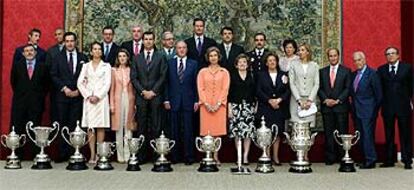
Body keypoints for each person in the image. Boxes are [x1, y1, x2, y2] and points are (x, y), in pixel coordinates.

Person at [50, 32, 88, 162]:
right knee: (62, 124)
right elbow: (54, 75)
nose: (70, 43)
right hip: (62, 97)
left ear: (75, 42)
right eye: (67, 41)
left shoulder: (83, 57)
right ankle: (62, 153)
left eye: (72, 41)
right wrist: (64, 88)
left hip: (78, 96)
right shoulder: (57, 57)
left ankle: (75, 151)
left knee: (76, 125)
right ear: (64, 42)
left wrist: (79, 90)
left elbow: (87, 77)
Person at [130, 31, 167, 163]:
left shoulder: (160, 57)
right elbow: (133, 78)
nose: (148, 41)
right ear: (143, 41)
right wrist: (143, 91)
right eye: (146, 39)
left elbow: (163, 76)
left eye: (151, 39)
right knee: (142, 126)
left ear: (154, 40)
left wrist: (153, 91)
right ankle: (141, 156)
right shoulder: (136, 58)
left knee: (156, 126)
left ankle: (156, 155)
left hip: (156, 96)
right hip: (141, 97)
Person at [10, 44, 49, 159]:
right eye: (26, 51)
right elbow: (13, 82)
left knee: (35, 128)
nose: (29, 53)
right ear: (23, 54)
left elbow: (46, 85)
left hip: (36, 103)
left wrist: (39, 96)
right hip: (20, 103)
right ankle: (19, 154)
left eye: (31, 50)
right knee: (19, 127)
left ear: (35, 52)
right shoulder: (17, 66)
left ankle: (35, 154)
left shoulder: (43, 67)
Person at [377, 47, 413, 169]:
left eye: (393, 53)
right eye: (388, 54)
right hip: (387, 107)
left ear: (398, 55)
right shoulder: (381, 70)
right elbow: (379, 89)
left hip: (403, 107)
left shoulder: (407, 68)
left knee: (405, 134)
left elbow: (411, 87)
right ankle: (389, 159)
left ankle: (407, 160)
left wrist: (409, 101)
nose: (390, 56)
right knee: (389, 134)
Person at [164, 41, 199, 165]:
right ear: (176, 49)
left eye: (184, 47)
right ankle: (175, 156)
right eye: (179, 48)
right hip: (173, 101)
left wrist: (196, 100)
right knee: (174, 130)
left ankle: (189, 157)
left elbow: (196, 84)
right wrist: (166, 99)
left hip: (189, 101)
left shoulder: (193, 64)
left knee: (188, 130)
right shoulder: (169, 63)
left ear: (187, 49)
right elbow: (166, 83)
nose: (182, 50)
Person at [77, 42, 111, 163]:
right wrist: (88, 95)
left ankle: (100, 154)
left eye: (99, 49)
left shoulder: (106, 66)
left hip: (101, 99)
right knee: (91, 127)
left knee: (100, 126)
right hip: (89, 100)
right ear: (91, 52)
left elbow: (107, 83)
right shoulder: (86, 66)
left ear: (101, 52)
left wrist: (98, 96)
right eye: (94, 49)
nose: (97, 51)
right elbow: (79, 83)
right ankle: (92, 155)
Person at [318, 48, 352, 165]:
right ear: (328, 57)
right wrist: (326, 99)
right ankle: (330, 157)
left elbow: (348, 88)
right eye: (330, 56)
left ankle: (342, 156)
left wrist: (338, 100)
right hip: (327, 107)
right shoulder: (322, 71)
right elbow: (320, 88)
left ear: (338, 56)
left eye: (335, 56)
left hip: (341, 107)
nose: (333, 58)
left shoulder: (346, 71)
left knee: (342, 132)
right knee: (328, 133)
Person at [256, 52, 291, 165]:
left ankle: (276, 157)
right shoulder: (261, 75)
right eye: (269, 60)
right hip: (265, 107)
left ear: (277, 62)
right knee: (266, 133)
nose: (272, 62)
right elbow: (258, 91)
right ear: (266, 63)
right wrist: (269, 100)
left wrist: (279, 100)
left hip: (279, 108)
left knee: (277, 133)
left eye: (274, 60)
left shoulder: (284, 75)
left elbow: (287, 91)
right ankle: (266, 156)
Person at [197, 47, 230, 165]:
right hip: (205, 106)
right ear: (208, 57)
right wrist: (206, 103)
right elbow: (200, 88)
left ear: (219, 57)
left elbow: (225, 89)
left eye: (215, 55)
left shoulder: (224, 72)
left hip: (219, 106)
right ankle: (207, 155)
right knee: (207, 131)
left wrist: (218, 104)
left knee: (217, 132)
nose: (213, 58)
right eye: (211, 56)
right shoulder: (202, 72)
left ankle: (216, 156)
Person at [350, 51, 382, 169]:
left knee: (368, 136)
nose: (357, 62)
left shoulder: (372, 74)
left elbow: (379, 95)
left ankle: (371, 160)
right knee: (360, 136)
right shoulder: (353, 75)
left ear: (364, 60)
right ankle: (363, 159)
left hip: (368, 111)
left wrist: (374, 111)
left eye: (359, 60)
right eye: (355, 60)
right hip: (356, 111)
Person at [288, 44, 319, 160]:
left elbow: (316, 84)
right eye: (299, 50)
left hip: (310, 101)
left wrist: (310, 99)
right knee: (297, 127)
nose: (300, 52)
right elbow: (292, 83)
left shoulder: (314, 66)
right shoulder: (293, 65)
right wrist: (299, 99)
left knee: (307, 128)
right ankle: (297, 154)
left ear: (308, 52)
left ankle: (305, 154)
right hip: (296, 100)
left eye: (302, 50)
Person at [110, 49, 137, 163]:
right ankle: (120, 156)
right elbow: (111, 89)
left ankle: (128, 154)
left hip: (129, 99)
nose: (122, 58)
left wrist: (135, 103)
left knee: (128, 126)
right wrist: (111, 104)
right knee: (118, 127)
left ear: (127, 58)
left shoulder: (131, 70)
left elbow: (135, 89)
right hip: (117, 99)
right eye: (120, 56)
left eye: (124, 56)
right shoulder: (113, 70)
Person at [228, 54, 256, 165]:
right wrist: (229, 108)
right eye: (240, 62)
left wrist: (255, 106)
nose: (242, 64)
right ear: (236, 65)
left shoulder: (252, 75)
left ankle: (245, 156)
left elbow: (255, 92)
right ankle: (239, 155)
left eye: (244, 62)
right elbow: (229, 93)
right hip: (236, 106)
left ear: (247, 64)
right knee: (237, 132)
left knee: (248, 133)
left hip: (248, 107)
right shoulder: (232, 76)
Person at [45, 28, 64, 124]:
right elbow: (47, 70)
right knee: (55, 114)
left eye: (60, 34)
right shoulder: (51, 51)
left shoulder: (73, 49)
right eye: (56, 34)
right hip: (55, 88)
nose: (58, 36)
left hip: (70, 88)